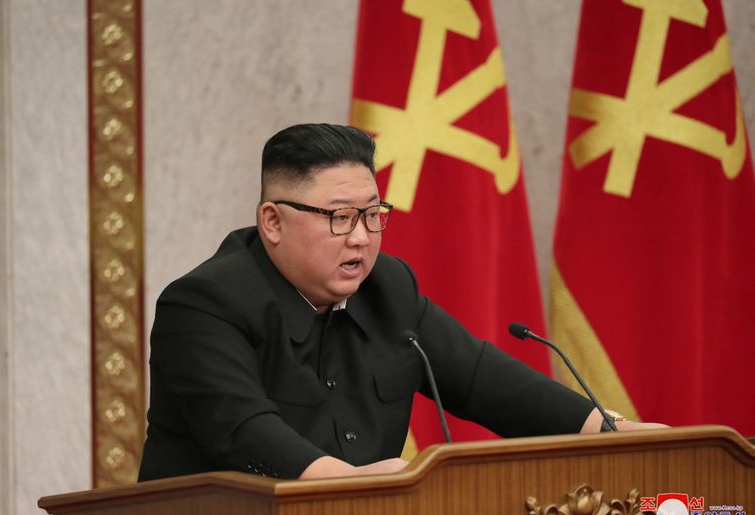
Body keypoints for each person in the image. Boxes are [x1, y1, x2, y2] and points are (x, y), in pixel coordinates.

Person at [138, 123, 665, 482]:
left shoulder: (387, 288)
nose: (362, 238)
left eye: (373, 214)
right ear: (273, 221)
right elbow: (243, 431)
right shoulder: (203, 306)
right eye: (339, 217)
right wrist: (352, 484)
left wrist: (615, 432)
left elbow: (485, 381)